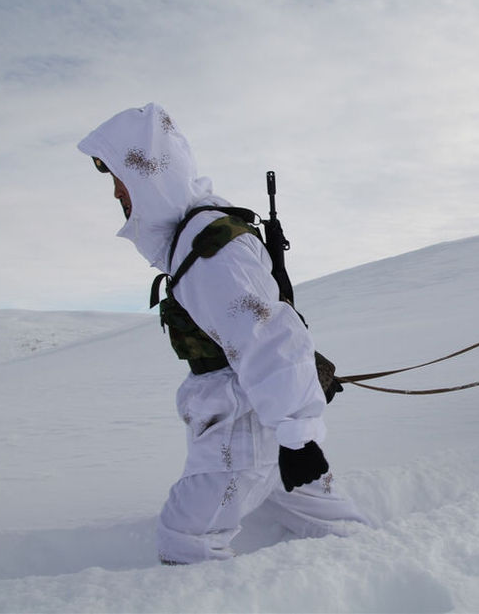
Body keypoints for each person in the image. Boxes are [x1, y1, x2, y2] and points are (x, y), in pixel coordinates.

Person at [78, 103, 367, 565]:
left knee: (185, 539)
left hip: (243, 427)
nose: (116, 192)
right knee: (331, 527)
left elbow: (268, 334)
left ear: (149, 174)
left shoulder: (208, 249)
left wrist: (298, 434)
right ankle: (377, 570)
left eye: (120, 178)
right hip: (255, 417)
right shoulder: (196, 236)